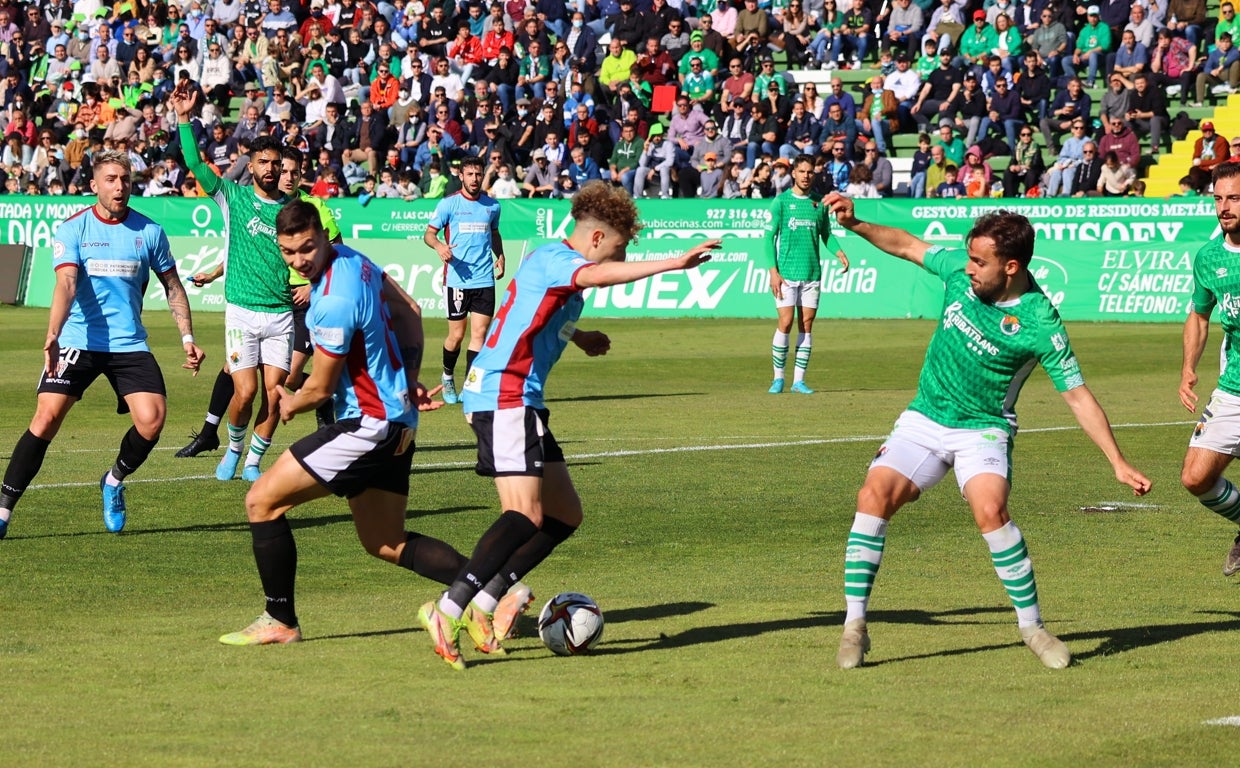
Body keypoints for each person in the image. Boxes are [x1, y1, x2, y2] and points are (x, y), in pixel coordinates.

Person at [824, 196, 1151, 670]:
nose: (970, 268)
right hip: (926, 417)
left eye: (981, 261)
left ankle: (1032, 628)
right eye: (970, 258)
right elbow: (908, 246)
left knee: (990, 509)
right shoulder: (961, 270)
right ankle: (855, 626)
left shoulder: (1040, 322)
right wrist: (855, 225)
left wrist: (1117, 461)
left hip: (983, 429)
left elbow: (1077, 395)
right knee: (873, 495)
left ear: (1012, 266)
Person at [416, 182, 721, 670]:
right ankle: (449, 609)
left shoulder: (548, 261)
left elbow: (530, 314)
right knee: (524, 515)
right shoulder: (563, 262)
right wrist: (674, 263)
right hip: (505, 393)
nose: (617, 257)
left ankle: (487, 605)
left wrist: (578, 336)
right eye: (617, 248)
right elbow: (595, 278)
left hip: (516, 396)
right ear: (597, 240)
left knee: (564, 514)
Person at [218, 200, 465, 645]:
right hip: (397, 421)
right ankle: (491, 592)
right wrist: (407, 378)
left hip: (367, 424)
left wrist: (290, 404)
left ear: (322, 236)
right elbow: (408, 308)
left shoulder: (332, 299)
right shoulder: (356, 261)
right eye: (289, 252)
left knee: (261, 501)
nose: (299, 260)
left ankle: (281, 621)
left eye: (308, 248)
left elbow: (321, 388)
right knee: (385, 541)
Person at [0, 150, 205, 539]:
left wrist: (188, 338)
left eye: (125, 179)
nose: (119, 186)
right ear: (94, 185)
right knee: (45, 418)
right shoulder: (73, 229)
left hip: (128, 343)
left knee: (152, 420)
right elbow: (66, 284)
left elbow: (173, 287)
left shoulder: (150, 232)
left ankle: (112, 480)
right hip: (80, 339)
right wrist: (53, 333)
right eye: (111, 179)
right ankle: (3, 510)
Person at [176, 147, 345, 459]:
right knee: (237, 374)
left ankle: (323, 394)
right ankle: (211, 433)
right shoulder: (261, 205)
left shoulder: (311, 208)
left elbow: (334, 251)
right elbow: (251, 249)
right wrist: (214, 273)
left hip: (298, 306)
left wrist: (311, 283)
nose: (287, 176)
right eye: (284, 169)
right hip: (257, 303)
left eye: (292, 171)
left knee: (285, 381)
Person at [171, 84, 292, 483]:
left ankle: (254, 462)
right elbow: (194, 162)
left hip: (281, 314)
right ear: (251, 165)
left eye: (276, 163)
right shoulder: (232, 197)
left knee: (275, 396)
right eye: (263, 162)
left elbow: (311, 256)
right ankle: (233, 448)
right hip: (242, 310)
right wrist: (184, 119)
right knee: (245, 393)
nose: (270, 169)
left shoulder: (295, 210)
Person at [1178, 162, 1240, 578]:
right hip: (1234, 386)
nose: (1224, 207)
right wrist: (1188, 369)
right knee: (1195, 478)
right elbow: (1200, 316)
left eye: (1234, 197)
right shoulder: (1210, 257)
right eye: (1218, 198)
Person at [422, 156, 505, 405]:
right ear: (462, 176)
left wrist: (499, 255)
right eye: (470, 174)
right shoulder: (449, 204)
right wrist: (439, 246)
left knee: (479, 334)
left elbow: (494, 233)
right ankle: (448, 376)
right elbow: (429, 234)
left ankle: (470, 386)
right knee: (456, 336)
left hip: (484, 279)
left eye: (478, 174)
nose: (474, 179)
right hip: (457, 280)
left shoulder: (492, 206)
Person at [764, 155, 849, 395]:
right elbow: (767, 239)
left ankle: (798, 381)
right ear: (793, 173)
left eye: (810, 172)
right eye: (801, 171)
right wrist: (773, 272)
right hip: (786, 273)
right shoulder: (781, 203)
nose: (806, 176)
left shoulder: (819, 203)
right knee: (786, 322)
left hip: (812, 273)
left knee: (806, 325)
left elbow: (826, 234)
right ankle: (778, 378)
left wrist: (839, 252)